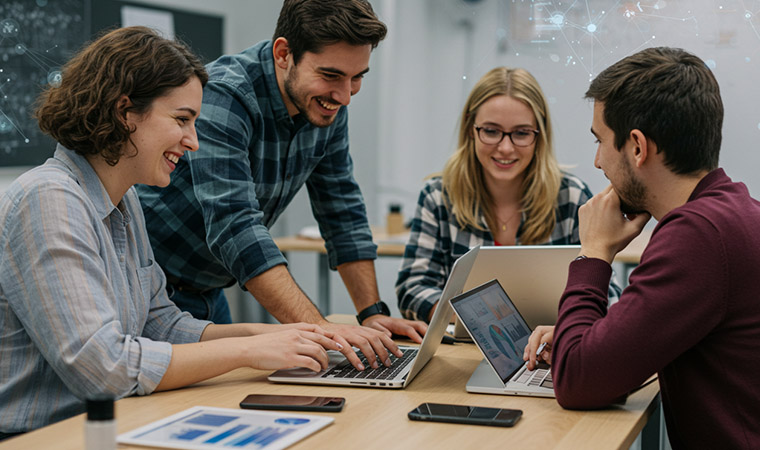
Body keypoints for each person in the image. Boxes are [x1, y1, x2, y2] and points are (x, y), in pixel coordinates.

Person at [0, 26, 351, 439]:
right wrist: (248, 350)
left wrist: (274, 334)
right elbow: (103, 368)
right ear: (124, 111)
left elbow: (159, 323)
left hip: (107, 427)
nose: (193, 141)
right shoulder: (48, 200)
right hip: (42, 439)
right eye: (182, 120)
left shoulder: (123, 202)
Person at [137, 0, 426, 372]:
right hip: (153, 291)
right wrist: (320, 328)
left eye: (358, 77)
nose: (345, 94)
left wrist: (371, 313)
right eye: (332, 75)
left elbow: (342, 209)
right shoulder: (226, 95)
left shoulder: (328, 104)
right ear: (284, 53)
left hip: (209, 291)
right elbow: (235, 226)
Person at [538, 47, 760, 448]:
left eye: (601, 141)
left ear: (638, 147)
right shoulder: (743, 214)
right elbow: (622, 347)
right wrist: (593, 340)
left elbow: (577, 381)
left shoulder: (700, 235)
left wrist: (593, 252)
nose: (597, 162)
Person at [396, 66, 621, 324]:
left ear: (539, 135)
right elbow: (412, 288)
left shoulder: (571, 197)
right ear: (472, 129)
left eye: (521, 133)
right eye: (491, 131)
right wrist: (473, 322)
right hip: (464, 348)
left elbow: (608, 293)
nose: (505, 148)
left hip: (547, 352)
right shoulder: (438, 196)